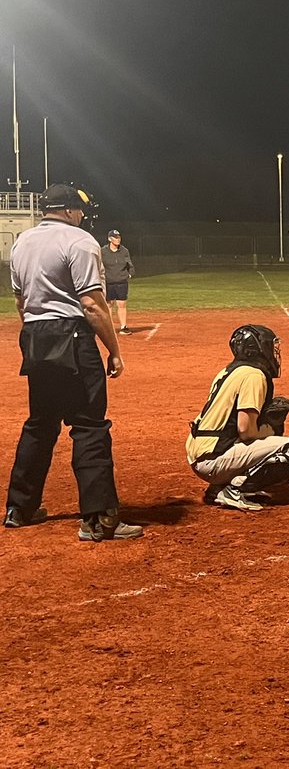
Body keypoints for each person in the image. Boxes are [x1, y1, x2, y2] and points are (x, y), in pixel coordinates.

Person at [4, 183, 143, 541]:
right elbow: (93, 305)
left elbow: (21, 302)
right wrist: (114, 349)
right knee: (89, 425)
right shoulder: (80, 241)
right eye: (79, 209)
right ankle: (99, 518)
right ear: (67, 210)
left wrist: (40, 337)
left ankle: (20, 507)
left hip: (35, 336)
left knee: (40, 423)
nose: (82, 214)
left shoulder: (22, 242)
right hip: (73, 336)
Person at [186, 325, 289, 511]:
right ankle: (235, 489)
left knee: (271, 438)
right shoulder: (254, 376)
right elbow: (245, 431)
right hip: (213, 460)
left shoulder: (230, 370)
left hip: (201, 454)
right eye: (270, 346)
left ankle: (218, 488)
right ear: (257, 348)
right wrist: (271, 428)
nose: (273, 352)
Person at [101, 229, 135, 334]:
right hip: (108, 282)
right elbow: (99, 265)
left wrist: (130, 273)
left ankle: (123, 327)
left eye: (119, 237)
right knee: (109, 305)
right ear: (109, 239)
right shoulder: (103, 251)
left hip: (121, 281)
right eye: (115, 237)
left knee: (122, 304)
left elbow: (129, 264)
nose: (118, 239)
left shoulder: (124, 251)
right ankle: (109, 328)